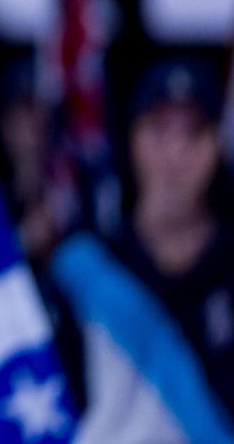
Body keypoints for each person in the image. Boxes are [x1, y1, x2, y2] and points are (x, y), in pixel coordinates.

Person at [96, 59, 234, 413]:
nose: (175, 154)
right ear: (131, 138)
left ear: (217, 145)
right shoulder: (93, 268)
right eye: (158, 130)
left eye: (193, 133)